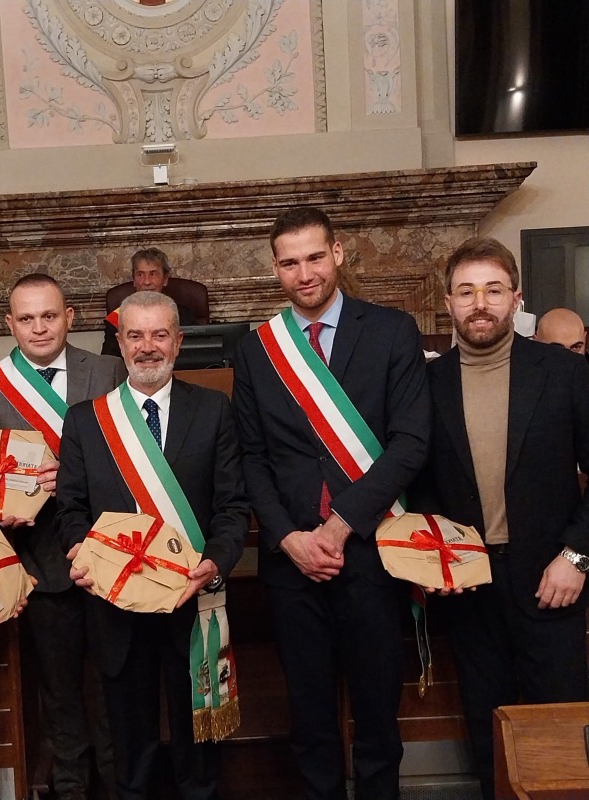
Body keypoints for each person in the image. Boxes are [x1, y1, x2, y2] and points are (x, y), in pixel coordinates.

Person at [232, 206, 430, 800]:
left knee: (377, 714)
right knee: (309, 716)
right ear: (275, 269)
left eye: (315, 257)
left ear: (337, 253)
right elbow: (251, 457)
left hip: (372, 550)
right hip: (292, 560)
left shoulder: (392, 330)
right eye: (290, 263)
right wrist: (288, 537)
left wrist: (340, 526)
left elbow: (410, 443)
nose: (305, 273)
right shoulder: (257, 349)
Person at [57, 291, 248, 800]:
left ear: (179, 342)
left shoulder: (213, 410)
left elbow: (232, 505)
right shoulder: (86, 420)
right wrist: (82, 555)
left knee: (198, 751)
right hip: (116, 607)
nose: (147, 347)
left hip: (193, 600)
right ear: (119, 343)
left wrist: (215, 563)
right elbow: (70, 509)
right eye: (135, 335)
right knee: (131, 749)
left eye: (159, 335)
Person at [419, 238, 589, 800]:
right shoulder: (427, 384)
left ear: (516, 298)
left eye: (493, 290)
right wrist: (433, 557)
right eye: (466, 292)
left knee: (560, 738)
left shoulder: (564, 372)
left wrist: (577, 556)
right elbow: (419, 483)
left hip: (552, 581)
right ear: (448, 302)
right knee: (488, 735)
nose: (480, 304)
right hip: (470, 589)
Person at [0, 273, 126, 799]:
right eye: (27, 318)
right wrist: (1, 512)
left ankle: (121, 784)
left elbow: (133, 461)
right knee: (58, 692)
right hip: (39, 563)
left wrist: (77, 474)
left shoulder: (107, 370)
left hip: (109, 555)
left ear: (69, 318)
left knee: (115, 683)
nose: (39, 328)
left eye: (49, 316)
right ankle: (71, 787)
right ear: (10, 324)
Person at [101, 248, 197, 358]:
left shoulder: (184, 315)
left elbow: (196, 357)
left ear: (165, 279)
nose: (146, 282)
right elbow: (109, 362)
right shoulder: (117, 318)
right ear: (134, 280)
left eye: (153, 274)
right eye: (140, 275)